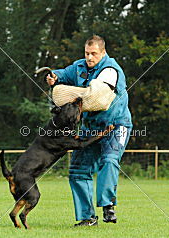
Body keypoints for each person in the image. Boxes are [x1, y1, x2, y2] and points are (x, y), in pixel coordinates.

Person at [47, 35, 132, 226]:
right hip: (91, 128)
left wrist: (70, 93)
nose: (89, 57)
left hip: (116, 125)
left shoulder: (111, 70)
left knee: (109, 160)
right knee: (78, 170)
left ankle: (108, 204)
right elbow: (63, 74)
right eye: (87, 53)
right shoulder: (79, 67)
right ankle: (87, 218)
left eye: (94, 54)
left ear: (103, 52)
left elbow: (97, 98)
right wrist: (54, 77)